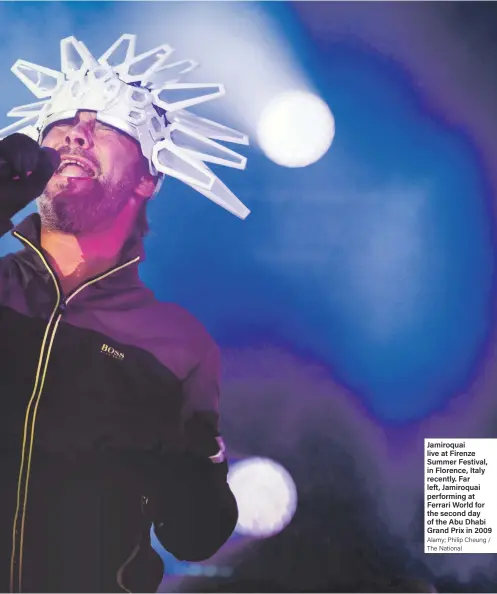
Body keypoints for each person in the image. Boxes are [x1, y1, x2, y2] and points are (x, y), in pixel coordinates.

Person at [0, 34, 250, 593]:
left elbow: (195, 536)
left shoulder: (177, 345)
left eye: (107, 125)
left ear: (149, 177)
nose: (76, 133)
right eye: (60, 123)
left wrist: (196, 462)